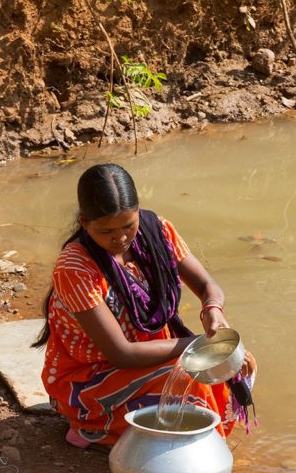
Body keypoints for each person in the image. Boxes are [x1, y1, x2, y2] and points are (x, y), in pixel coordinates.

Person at [33, 162, 255, 447]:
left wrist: (213, 310)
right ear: (84, 223)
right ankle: (91, 424)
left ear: (139, 210)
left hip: (149, 354)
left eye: (128, 225)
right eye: (105, 231)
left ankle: (179, 437)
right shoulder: (75, 268)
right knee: (195, 379)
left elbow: (206, 286)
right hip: (90, 378)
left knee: (242, 363)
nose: (120, 238)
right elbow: (121, 354)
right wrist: (201, 346)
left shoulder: (158, 231)